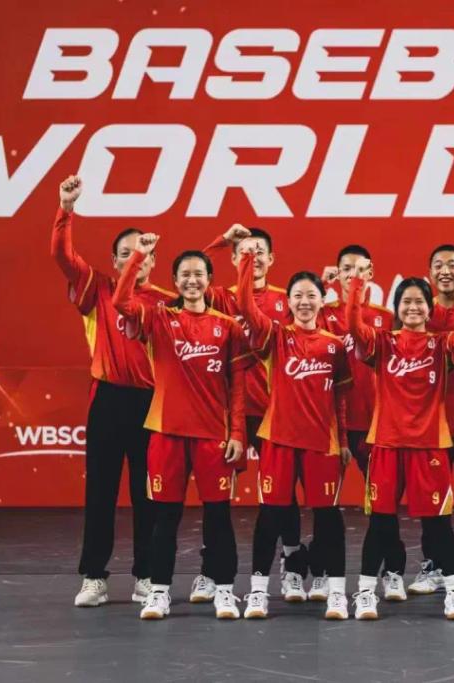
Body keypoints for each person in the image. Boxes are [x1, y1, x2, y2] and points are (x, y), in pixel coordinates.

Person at [112, 235, 249, 620]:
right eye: (185, 275)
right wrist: (139, 254)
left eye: (199, 274)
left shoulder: (227, 327)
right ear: (174, 281)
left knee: (218, 517)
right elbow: (121, 301)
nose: (192, 280)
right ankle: (159, 592)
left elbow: (238, 387)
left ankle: (225, 591)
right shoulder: (159, 319)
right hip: (166, 433)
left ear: (209, 280)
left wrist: (238, 433)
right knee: (164, 518)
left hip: (212, 436)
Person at [54, 175, 173, 609]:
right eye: (126, 253)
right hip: (107, 399)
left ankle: (145, 576)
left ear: (152, 261)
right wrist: (66, 210)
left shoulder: (166, 302)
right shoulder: (97, 288)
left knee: (148, 495)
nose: (134, 259)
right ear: (115, 259)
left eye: (141, 253)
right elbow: (62, 256)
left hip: (151, 404)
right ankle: (94, 577)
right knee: (101, 492)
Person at [230, 235, 355, 620]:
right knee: (270, 518)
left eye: (310, 295)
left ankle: (337, 594)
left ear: (322, 300)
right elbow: (245, 305)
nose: (303, 302)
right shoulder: (275, 337)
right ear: (289, 302)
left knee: (329, 520)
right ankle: (257, 594)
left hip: (322, 445)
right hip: (279, 441)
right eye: (297, 296)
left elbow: (340, 398)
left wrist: (344, 440)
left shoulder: (335, 346)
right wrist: (247, 259)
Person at [345, 260, 454, 620]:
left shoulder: (441, 344)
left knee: (439, 523)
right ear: (397, 308)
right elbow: (354, 326)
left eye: (420, 301)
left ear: (429, 309)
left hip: (430, 446)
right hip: (387, 445)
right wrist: (357, 283)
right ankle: (366, 593)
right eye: (406, 302)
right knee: (380, 522)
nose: (414, 307)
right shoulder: (383, 342)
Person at [201, 225, 310, 603]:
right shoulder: (220, 298)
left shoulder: (286, 300)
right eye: (245, 252)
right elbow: (193, 272)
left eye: (259, 250)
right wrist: (220, 241)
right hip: (226, 410)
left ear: (272, 258)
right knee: (215, 494)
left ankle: (292, 564)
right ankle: (211, 569)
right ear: (234, 259)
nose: (253, 257)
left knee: (282, 492)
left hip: (273, 410)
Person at [319, 246, 402, 597]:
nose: (353, 274)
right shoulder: (321, 314)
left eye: (360, 269)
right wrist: (321, 288)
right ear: (337, 274)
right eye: (346, 268)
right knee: (324, 506)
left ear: (371, 274)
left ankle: (393, 571)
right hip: (331, 424)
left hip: (374, 424)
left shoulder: (386, 317)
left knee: (383, 506)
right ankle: (323, 573)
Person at [408, 244, 454, 595]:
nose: (445, 270)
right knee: (432, 502)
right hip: (432, 425)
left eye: (453, 264)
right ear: (430, 274)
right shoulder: (422, 311)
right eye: (438, 265)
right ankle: (434, 565)